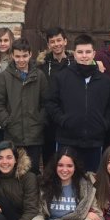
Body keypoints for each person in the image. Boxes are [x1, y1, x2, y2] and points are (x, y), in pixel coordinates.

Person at [44, 34, 110, 172]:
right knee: (66, 177)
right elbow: (51, 103)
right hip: (67, 140)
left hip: (94, 141)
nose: (84, 56)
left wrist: (103, 124)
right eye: (80, 52)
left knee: (91, 180)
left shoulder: (105, 81)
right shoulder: (62, 77)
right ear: (74, 54)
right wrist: (63, 120)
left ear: (94, 54)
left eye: (88, 52)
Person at [0, 38, 49, 172]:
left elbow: (46, 102)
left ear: (30, 54)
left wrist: (39, 121)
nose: (21, 60)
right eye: (17, 56)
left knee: (33, 171)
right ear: (12, 55)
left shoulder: (39, 76)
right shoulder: (5, 77)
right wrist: (7, 121)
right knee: (13, 171)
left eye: (24, 56)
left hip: (34, 135)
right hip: (13, 134)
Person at [37, 27, 72, 162]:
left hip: (68, 117)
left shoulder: (74, 62)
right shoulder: (42, 66)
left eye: (59, 40)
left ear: (65, 41)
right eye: (52, 41)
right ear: (48, 45)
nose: (56, 44)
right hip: (49, 119)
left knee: (67, 157)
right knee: (49, 158)